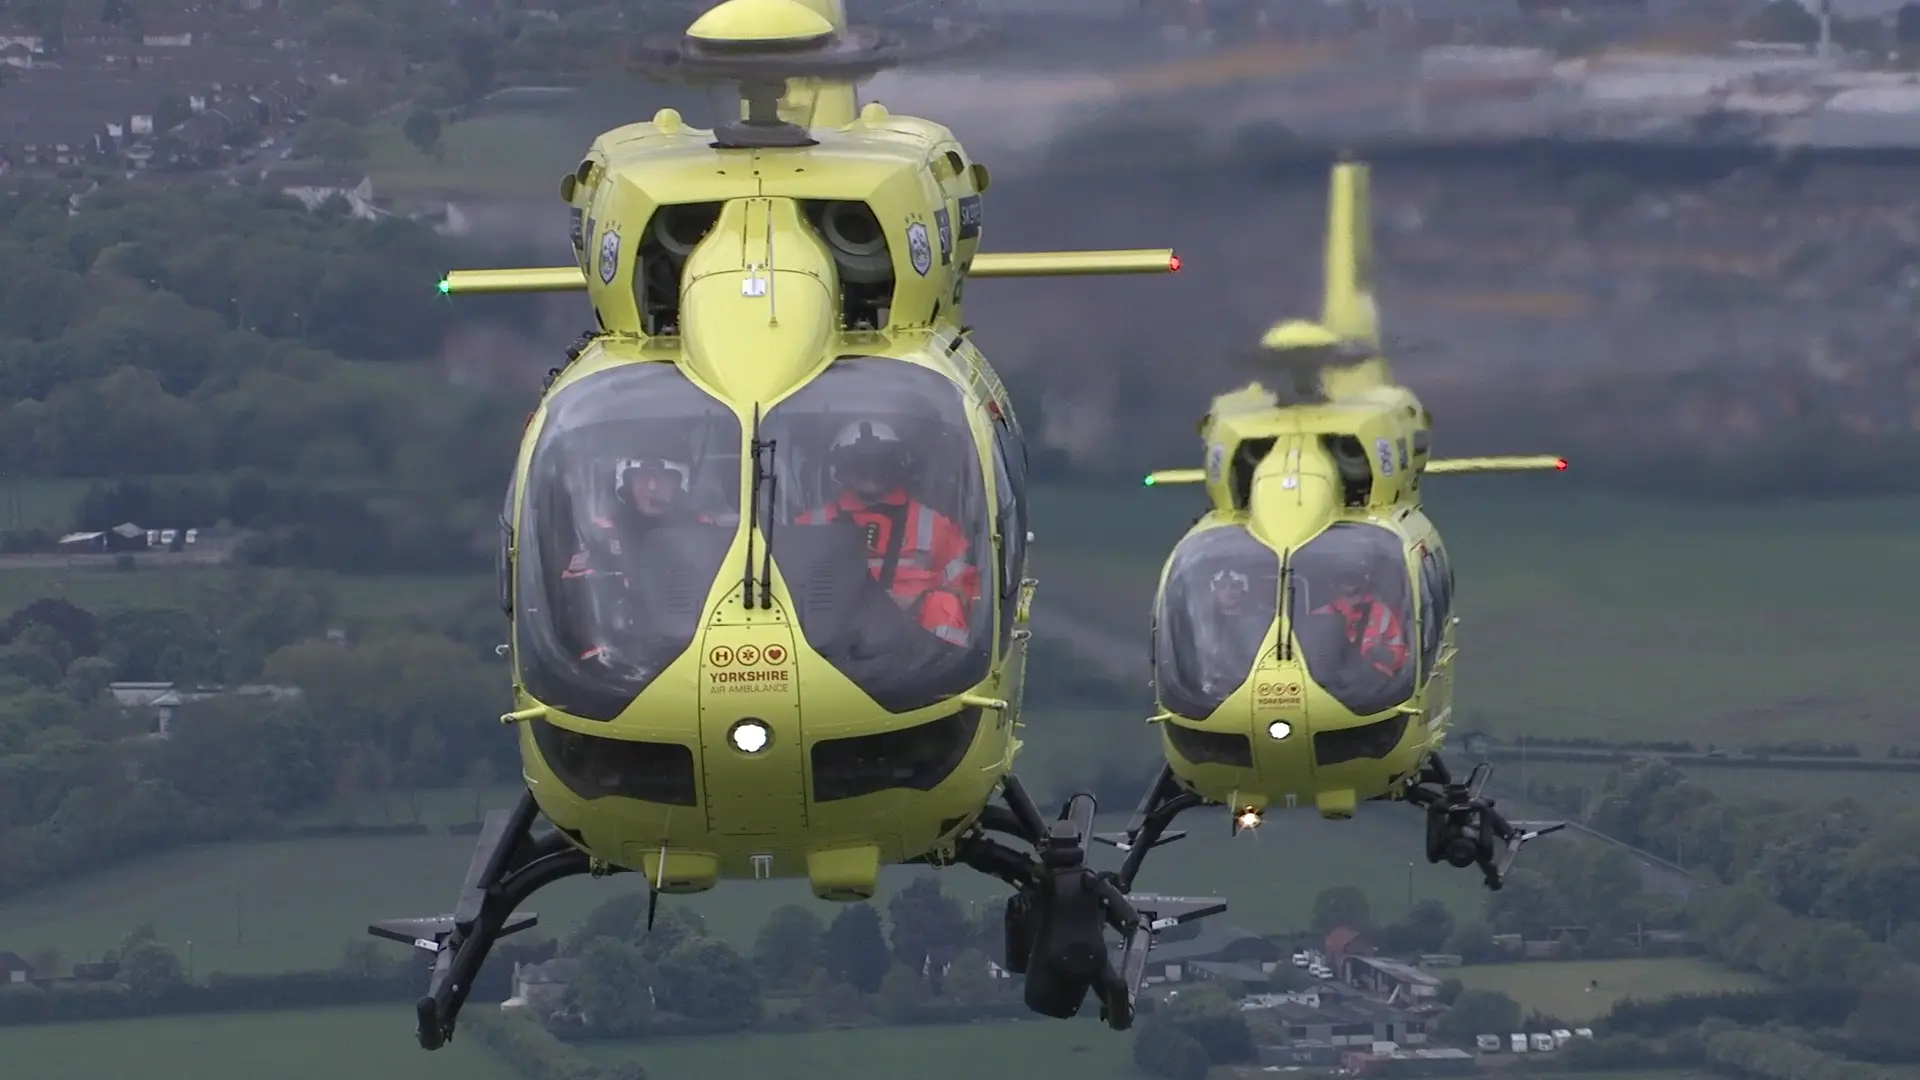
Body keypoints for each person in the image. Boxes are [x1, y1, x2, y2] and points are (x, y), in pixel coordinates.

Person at [795, 419, 978, 645]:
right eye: (858, 463)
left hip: (917, 647)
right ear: (841, 469)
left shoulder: (932, 524)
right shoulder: (810, 524)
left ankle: (950, 675)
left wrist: (917, 600)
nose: (869, 472)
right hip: (833, 637)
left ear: (895, 466)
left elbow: (966, 584)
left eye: (879, 462)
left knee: (944, 606)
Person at [566, 455, 705, 665]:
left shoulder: (704, 529)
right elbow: (574, 601)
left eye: (663, 478)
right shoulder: (601, 533)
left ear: (680, 483)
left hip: (698, 649)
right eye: (642, 477)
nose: (652, 487)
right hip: (621, 658)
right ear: (626, 482)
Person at [1310, 563, 1408, 679]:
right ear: (1334, 585)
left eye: (1356, 578)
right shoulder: (1318, 616)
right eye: (1346, 579)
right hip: (1329, 686)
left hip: (1376, 686)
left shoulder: (1381, 612)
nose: (1353, 586)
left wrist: (1386, 656)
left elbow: (1399, 649)